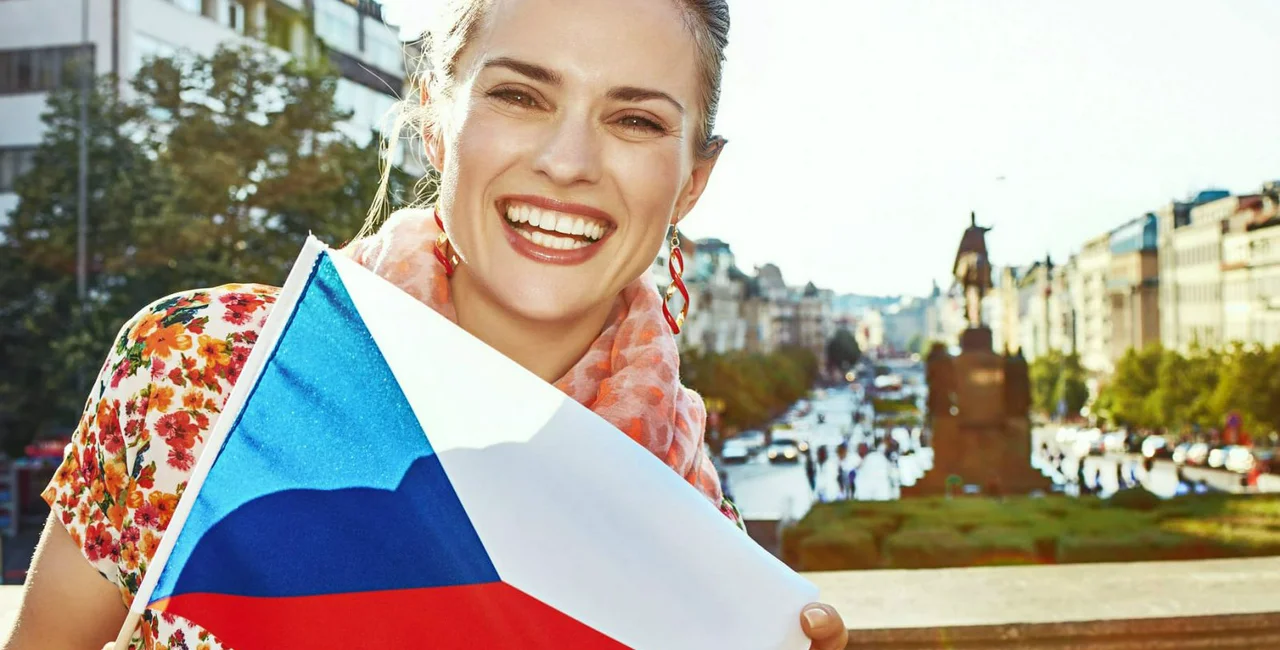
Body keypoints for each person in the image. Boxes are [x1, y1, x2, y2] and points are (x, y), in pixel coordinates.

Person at [6, 1, 850, 648]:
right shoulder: (206, 373)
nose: (567, 162)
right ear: (435, 121)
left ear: (693, 178)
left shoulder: (701, 542)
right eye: (520, 95)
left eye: (635, 120)